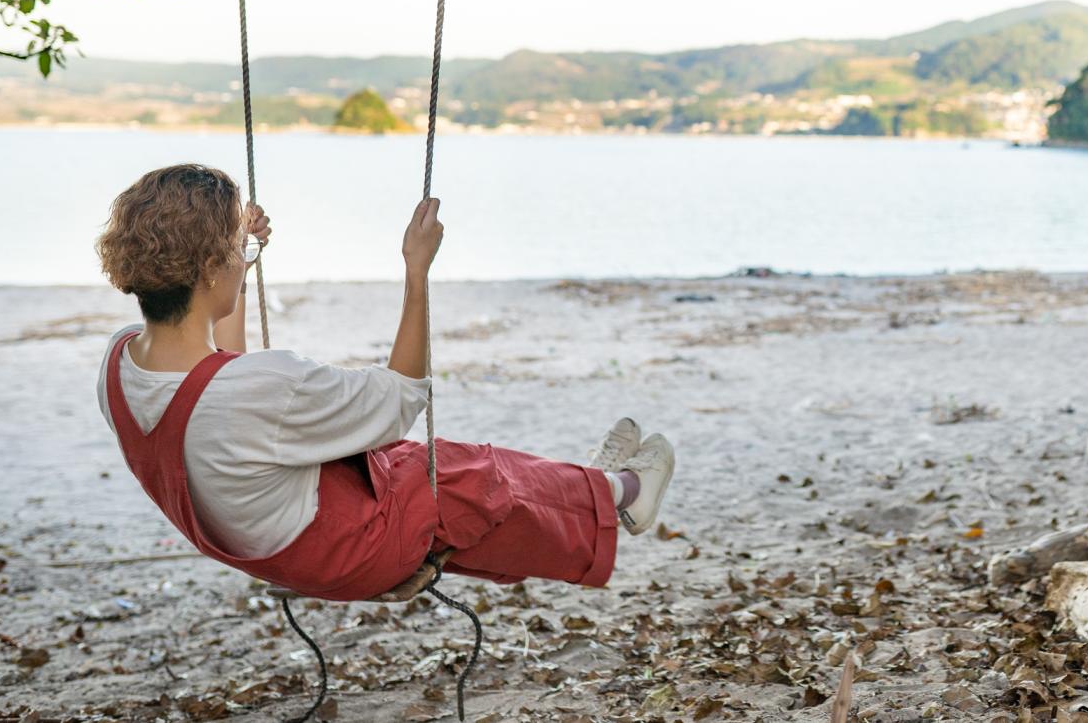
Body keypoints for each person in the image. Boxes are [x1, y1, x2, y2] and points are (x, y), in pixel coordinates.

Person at [93, 162, 673, 600]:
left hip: (263, 545)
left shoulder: (120, 360)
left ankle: (593, 484)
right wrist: (416, 272)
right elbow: (399, 397)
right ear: (208, 269)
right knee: (466, 478)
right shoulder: (259, 387)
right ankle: (622, 493)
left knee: (422, 464)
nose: (243, 266)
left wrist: (241, 249)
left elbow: (221, 375)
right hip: (336, 555)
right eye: (234, 258)